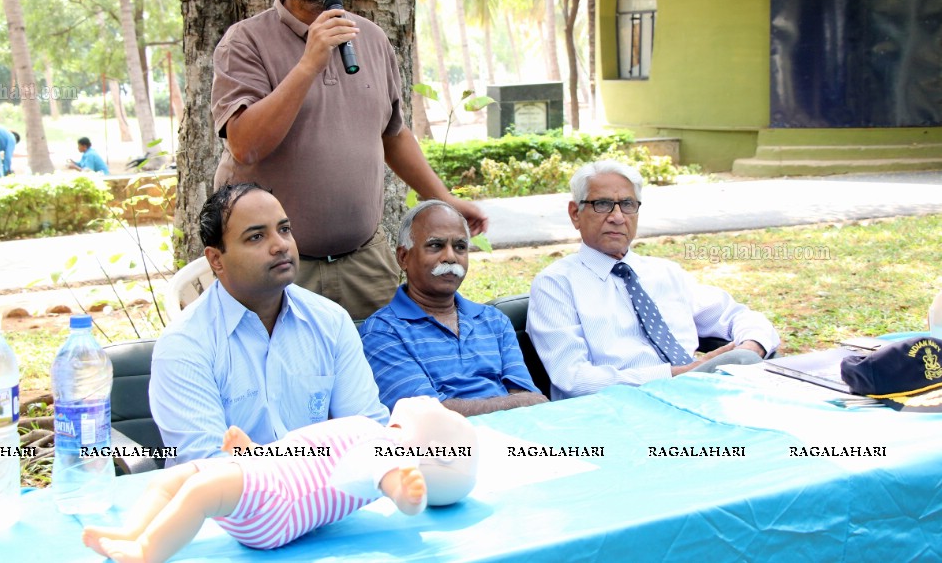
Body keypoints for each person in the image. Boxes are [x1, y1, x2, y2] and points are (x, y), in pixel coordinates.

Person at [209, 0, 487, 321]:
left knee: (381, 379)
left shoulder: (369, 38)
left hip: (364, 263)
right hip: (279, 268)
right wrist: (308, 63)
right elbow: (245, 145)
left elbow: (392, 135)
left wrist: (444, 200)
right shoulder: (245, 42)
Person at [150, 182, 388, 466]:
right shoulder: (185, 344)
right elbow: (208, 464)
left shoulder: (330, 321)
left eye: (284, 229)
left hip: (324, 500)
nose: (280, 245)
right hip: (229, 504)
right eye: (256, 237)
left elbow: (368, 434)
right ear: (216, 260)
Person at [82, 397, 477, 562]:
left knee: (198, 492)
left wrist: (408, 496)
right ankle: (130, 532)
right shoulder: (368, 431)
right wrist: (253, 451)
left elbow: (389, 483)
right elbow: (300, 456)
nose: (432, 401)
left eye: (441, 411)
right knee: (173, 480)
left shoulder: (384, 450)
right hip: (267, 479)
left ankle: (148, 550)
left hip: (276, 506)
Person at [527, 161, 779, 400]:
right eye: (602, 204)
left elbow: (740, 316)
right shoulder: (556, 285)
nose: (617, 217)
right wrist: (677, 375)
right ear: (575, 214)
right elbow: (574, 379)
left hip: (700, 397)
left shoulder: (665, 273)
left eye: (627, 204)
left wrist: (750, 348)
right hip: (619, 412)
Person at [361, 201, 548, 416]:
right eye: (435, 245)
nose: (450, 257)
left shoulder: (494, 321)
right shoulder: (383, 331)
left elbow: (529, 399)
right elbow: (426, 415)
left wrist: (517, 403)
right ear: (404, 257)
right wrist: (511, 403)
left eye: (460, 247)